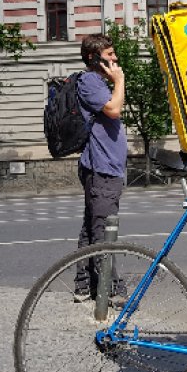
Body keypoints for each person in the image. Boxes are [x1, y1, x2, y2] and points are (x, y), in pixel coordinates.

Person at [73, 34, 127, 301]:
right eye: (109, 55)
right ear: (94, 58)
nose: (115, 59)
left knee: (91, 227)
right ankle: (111, 289)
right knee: (104, 230)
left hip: (106, 168)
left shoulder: (97, 82)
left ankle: (85, 285)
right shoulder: (90, 81)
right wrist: (120, 81)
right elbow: (113, 110)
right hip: (101, 169)